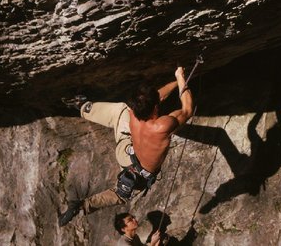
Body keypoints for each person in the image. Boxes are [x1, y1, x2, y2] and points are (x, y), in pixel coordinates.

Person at [59, 67, 193, 226]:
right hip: (140, 173)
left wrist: (178, 79)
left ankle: (82, 105)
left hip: (125, 152)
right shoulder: (161, 127)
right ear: (156, 107)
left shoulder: (133, 112)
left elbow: (158, 96)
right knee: (120, 195)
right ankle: (83, 206)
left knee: (121, 110)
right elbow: (187, 109)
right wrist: (181, 78)